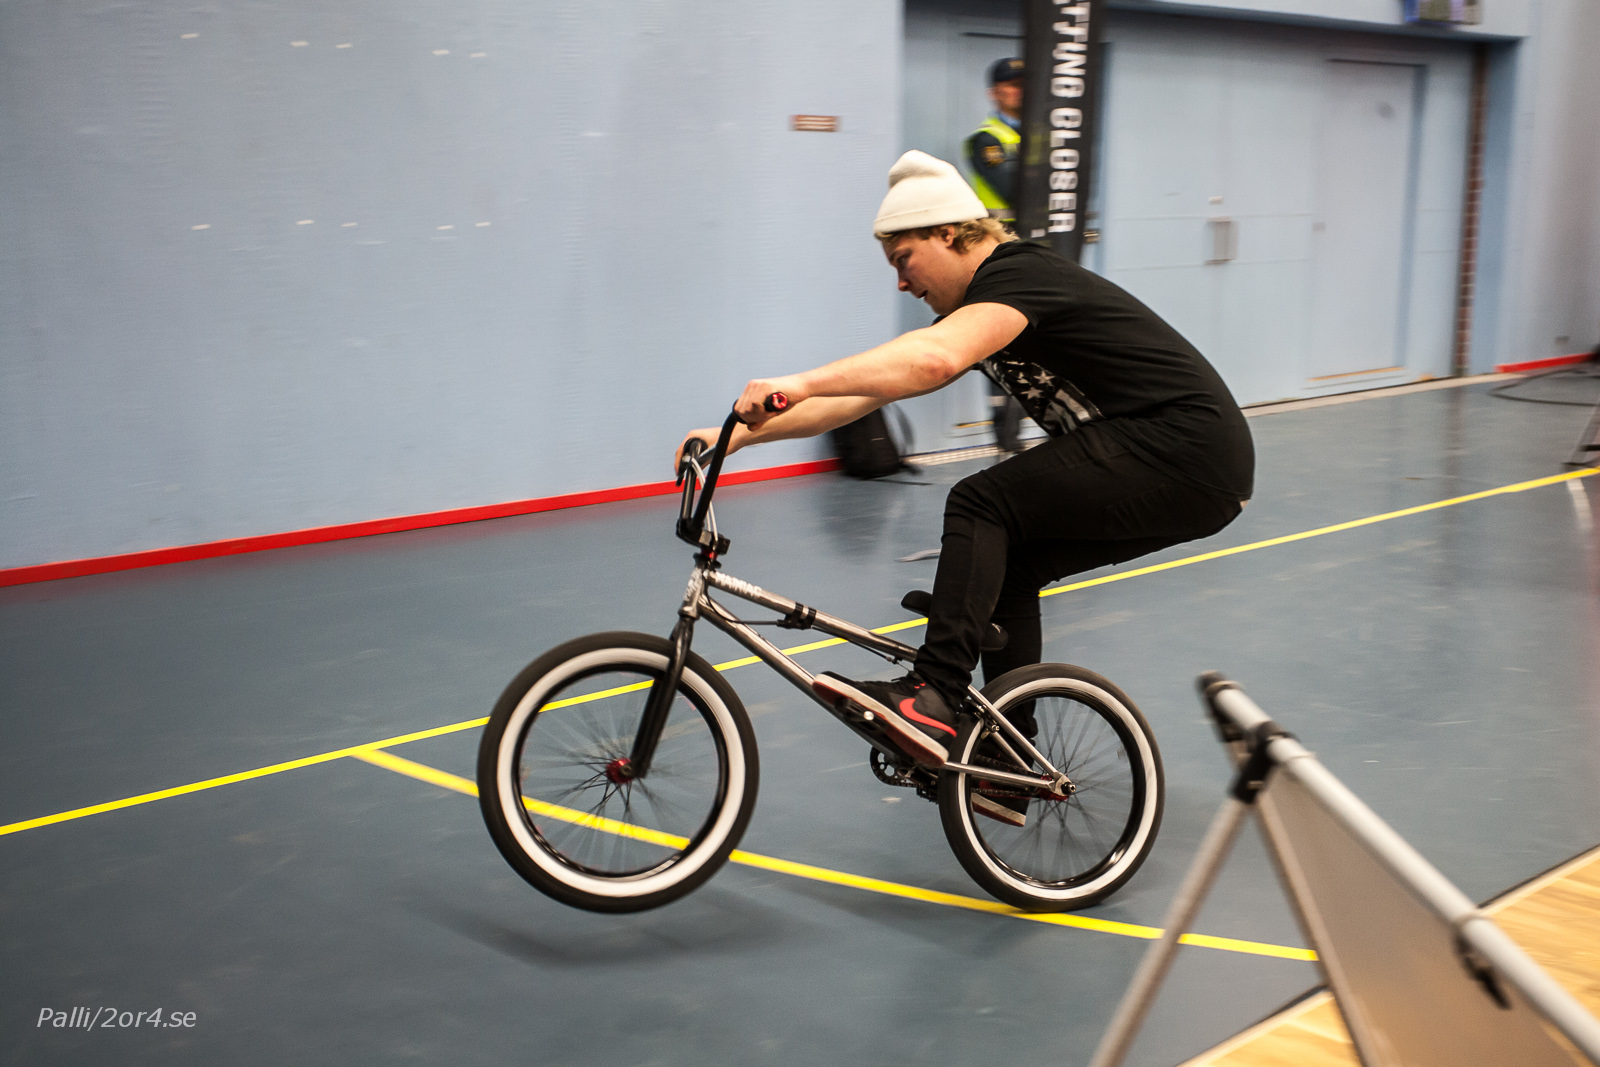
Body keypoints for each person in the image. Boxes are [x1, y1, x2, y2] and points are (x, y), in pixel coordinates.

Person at [675, 150, 1253, 781]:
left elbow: (934, 359)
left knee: (983, 501)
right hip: (1190, 470)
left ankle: (933, 695)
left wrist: (800, 380)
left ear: (948, 233)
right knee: (1011, 569)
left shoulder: (1020, 273)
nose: (901, 282)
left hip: (1186, 447)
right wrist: (731, 438)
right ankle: (1013, 757)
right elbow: (856, 400)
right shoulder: (980, 310)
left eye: (904, 259)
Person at [965, 57, 1027, 453]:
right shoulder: (986, 140)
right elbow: (1014, 189)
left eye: (1024, 83)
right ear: (995, 92)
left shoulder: (1046, 135)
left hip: (1042, 250)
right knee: (1003, 344)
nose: (1019, 91)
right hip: (1002, 252)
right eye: (1011, 84)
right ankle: (1007, 438)